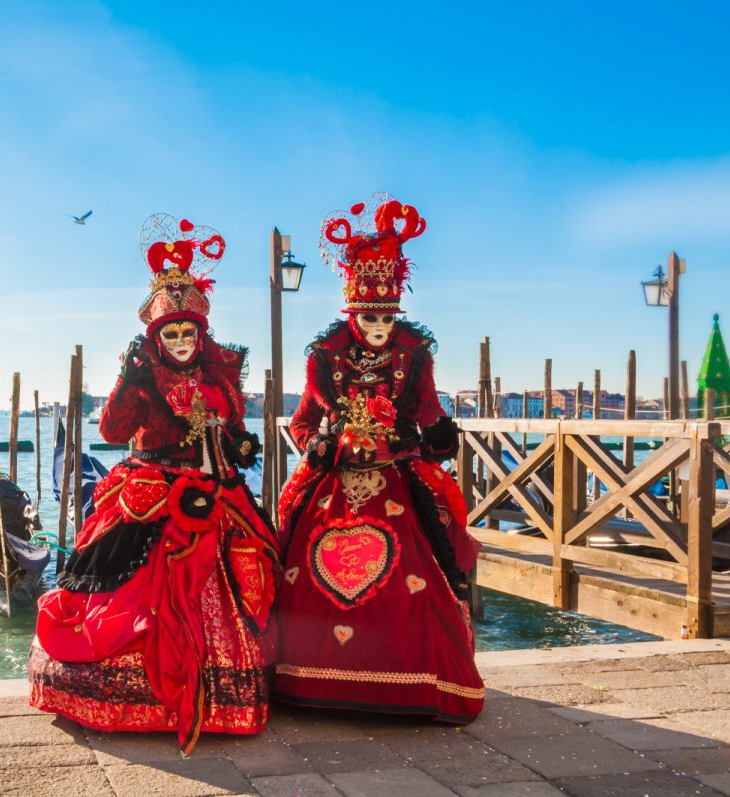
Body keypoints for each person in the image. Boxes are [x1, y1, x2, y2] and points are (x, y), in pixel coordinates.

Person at [29, 214, 280, 754]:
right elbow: (113, 431)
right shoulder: (142, 375)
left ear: (202, 332)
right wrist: (127, 380)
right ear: (156, 335)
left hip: (213, 491)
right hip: (147, 490)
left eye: (190, 332)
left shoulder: (219, 375)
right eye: (172, 332)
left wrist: (238, 446)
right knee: (129, 588)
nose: (183, 341)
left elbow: (232, 428)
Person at [273, 194, 484, 722]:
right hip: (336, 476)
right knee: (293, 536)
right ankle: (306, 677)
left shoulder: (414, 353)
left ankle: (415, 682)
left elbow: (425, 412)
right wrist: (319, 448)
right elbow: (302, 423)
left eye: (387, 317)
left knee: (433, 550)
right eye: (368, 317)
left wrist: (436, 436)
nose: (378, 327)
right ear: (352, 313)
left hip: (394, 474)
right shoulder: (326, 358)